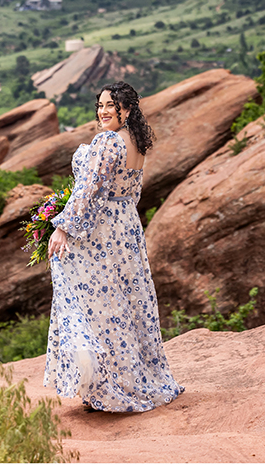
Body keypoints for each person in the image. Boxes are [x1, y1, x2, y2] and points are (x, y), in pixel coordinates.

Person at [44, 81, 184, 413]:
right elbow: (131, 193)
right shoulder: (135, 142)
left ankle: (107, 386)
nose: (104, 112)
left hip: (102, 230)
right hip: (126, 227)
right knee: (127, 302)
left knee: (95, 301)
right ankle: (128, 379)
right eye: (101, 106)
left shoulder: (108, 142)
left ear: (128, 109)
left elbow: (89, 190)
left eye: (111, 106)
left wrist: (62, 227)